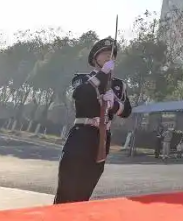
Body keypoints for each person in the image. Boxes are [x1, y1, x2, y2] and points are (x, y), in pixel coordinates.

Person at [53, 37, 132, 204]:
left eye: (112, 54)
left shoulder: (118, 85)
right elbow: (80, 94)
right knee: (66, 192)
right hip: (81, 135)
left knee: (83, 194)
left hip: (102, 139)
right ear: (95, 59)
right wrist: (102, 75)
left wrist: (114, 104)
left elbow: (127, 111)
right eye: (104, 54)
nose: (109, 57)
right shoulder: (82, 79)